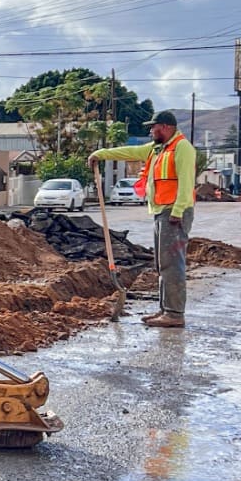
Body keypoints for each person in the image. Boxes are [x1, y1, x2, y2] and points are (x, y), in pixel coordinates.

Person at [90, 110, 197, 329]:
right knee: (162, 263)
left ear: (165, 127)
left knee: (172, 264)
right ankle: (166, 309)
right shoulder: (158, 149)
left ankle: (175, 313)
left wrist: (177, 210)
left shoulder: (182, 148)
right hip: (161, 211)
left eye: (153, 127)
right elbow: (131, 151)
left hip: (174, 212)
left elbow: (187, 183)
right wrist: (101, 154)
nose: (150, 130)